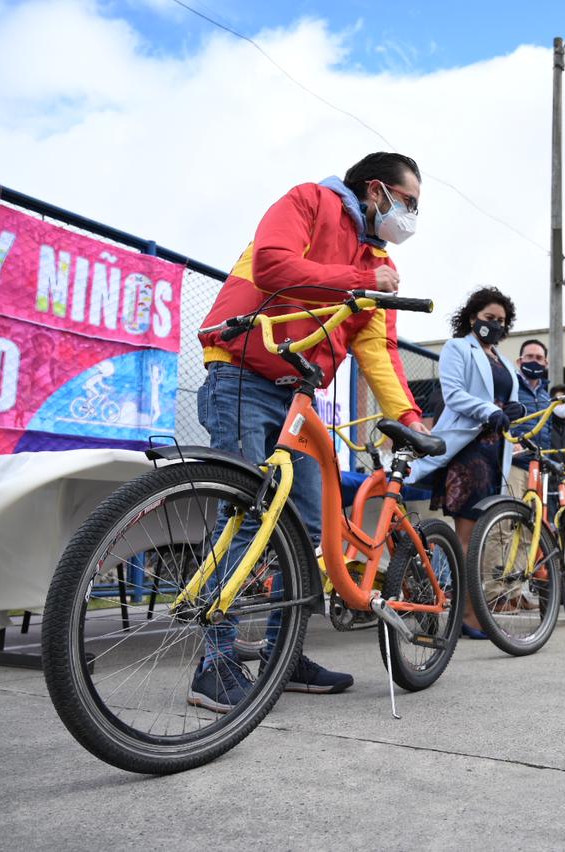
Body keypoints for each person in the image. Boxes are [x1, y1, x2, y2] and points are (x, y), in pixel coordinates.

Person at [193, 152, 428, 710]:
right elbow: (273, 265)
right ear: (376, 191)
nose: (411, 216)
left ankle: (285, 654)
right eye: (409, 202)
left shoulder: (377, 261)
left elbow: (379, 350)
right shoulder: (308, 201)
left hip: (299, 392)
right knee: (244, 516)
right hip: (242, 371)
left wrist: (412, 420)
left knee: (305, 529)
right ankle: (215, 665)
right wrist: (361, 280)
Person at [407, 288, 522, 636]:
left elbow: (507, 400)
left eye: (501, 321)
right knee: (467, 537)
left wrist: (517, 410)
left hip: (494, 452)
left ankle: (470, 614)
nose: (495, 325)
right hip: (468, 452)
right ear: (473, 317)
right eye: (489, 318)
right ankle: (465, 617)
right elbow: (455, 395)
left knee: (482, 537)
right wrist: (491, 410)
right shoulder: (458, 347)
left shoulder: (501, 359)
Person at [507, 339, 551, 498]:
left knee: (534, 519)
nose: (534, 361)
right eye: (530, 357)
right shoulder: (510, 386)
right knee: (510, 516)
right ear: (520, 361)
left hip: (538, 467)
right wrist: (510, 442)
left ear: (545, 363)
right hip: (515, 464)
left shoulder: (546, 396)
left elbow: (548, 429)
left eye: (539, 358)